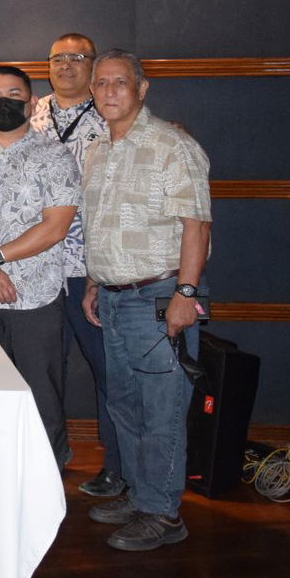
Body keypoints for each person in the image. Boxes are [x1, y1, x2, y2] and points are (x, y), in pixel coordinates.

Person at [81, 50, 211, 552]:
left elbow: (196, 225)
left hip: (159, 296)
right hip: (113, 298)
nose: (109, 92)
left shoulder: (172, 146)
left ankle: (164, 513)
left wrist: (186, 293)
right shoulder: (97, 150)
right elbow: (102, 226)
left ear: (142, 88)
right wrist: (95, 281)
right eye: (101, 84)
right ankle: (141, 495)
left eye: (120, 83)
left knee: (162, 409)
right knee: (126, 405)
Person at [0, 66, 80, 462]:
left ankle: (48, 474)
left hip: (35, 295)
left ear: (31, 102)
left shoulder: (54, 155)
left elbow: (56, 226)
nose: (5, 101)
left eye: (15, 94)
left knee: (40, 390)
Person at [30, 32, 123, 498]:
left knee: (109, 369)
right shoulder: (32, 112)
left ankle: (118, 464)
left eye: (77, 57)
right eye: (57, 58)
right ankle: (49, 455)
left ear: (93, 64)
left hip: (90, 268)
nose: (66, 65)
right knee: (44, 371)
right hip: (37, 268)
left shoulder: (110, 113)